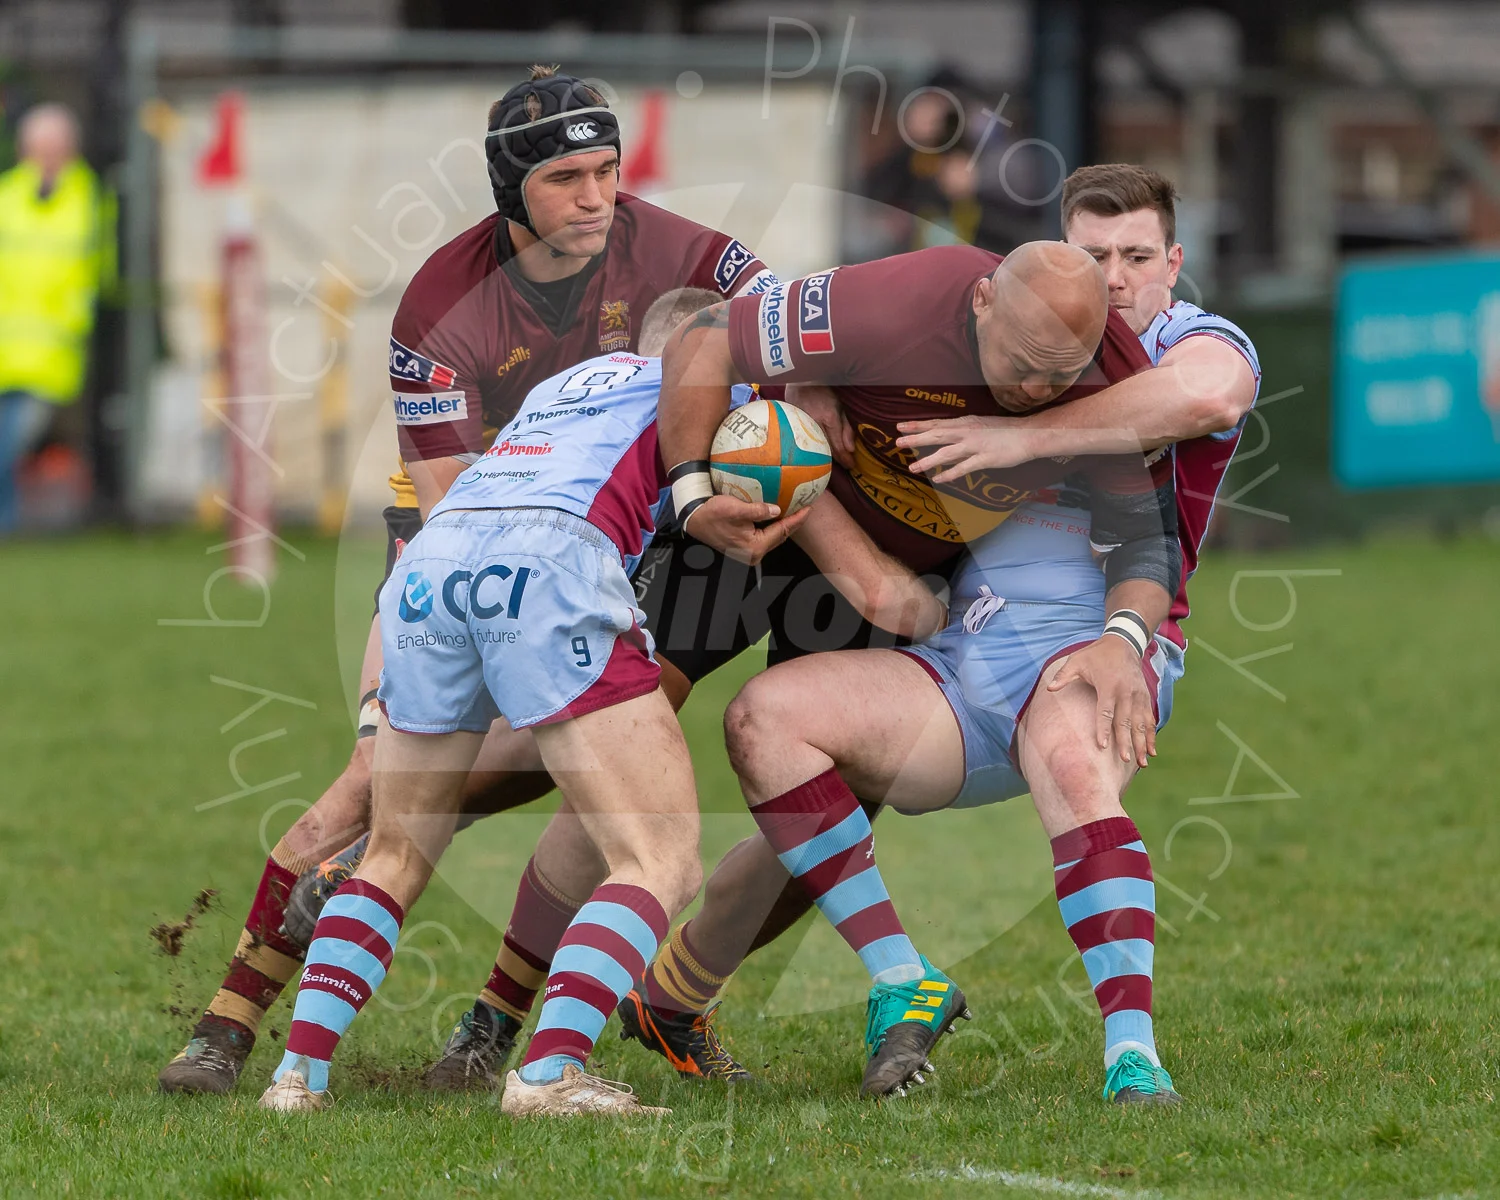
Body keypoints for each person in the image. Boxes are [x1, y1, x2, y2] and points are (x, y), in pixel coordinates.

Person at [158, 64, 781, 1096]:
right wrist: (382, 707)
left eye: (608, 171)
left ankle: (484, 1030)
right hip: (502, 550)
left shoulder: (694, 257)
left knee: (581, 790)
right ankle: (228, 1025)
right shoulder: (444, 304)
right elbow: (448, 510)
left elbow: (796, 347)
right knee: (378, 787)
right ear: (509, 191)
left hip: (672, 547)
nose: (596, 198)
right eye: (566, 179)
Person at [622, 164, 1259, 1106]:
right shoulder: (1010, 318)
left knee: (1072, 765)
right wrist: (805, 384)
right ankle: (712, 994)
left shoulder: (1165, 353)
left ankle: (1135, 1058)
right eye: (1093, 256)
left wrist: (1030, 447)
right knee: (774, 741)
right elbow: (719, 335)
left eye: (1136, 258)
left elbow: (1205, 402)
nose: (1116, 278)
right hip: (958, 644)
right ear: (1017, 276)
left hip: (1101, 641)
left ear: (1174, 261)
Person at [258, 288, 949, 1114]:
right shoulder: (731, 402)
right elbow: (870, 581)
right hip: (551, 572)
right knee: (659, 858)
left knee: (396, 855)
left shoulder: (566, 384)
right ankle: (549, 1073)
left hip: (434, 567)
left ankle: (296, 1079)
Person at [0, 103, 114, 533]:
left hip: (51, 352)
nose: (45, 157)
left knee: (10, 444)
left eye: (53, 147)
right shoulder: (8, 196)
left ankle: (7, 524)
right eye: (37, 147)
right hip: (4, 348)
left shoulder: (87, 199)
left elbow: (98, 271)